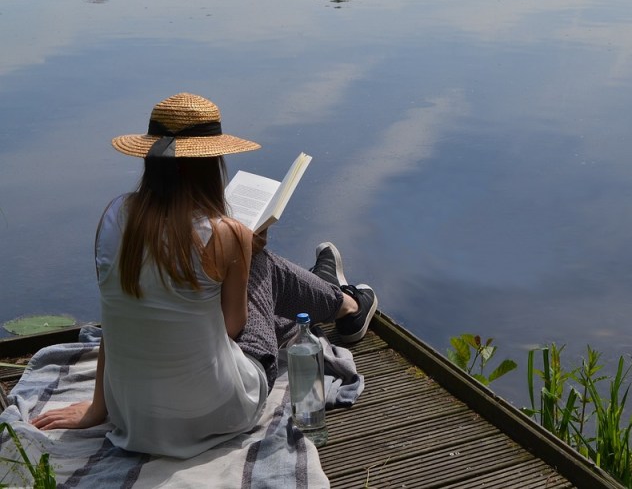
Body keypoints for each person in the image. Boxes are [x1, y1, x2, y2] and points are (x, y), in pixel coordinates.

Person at [31, 92, 378, 458]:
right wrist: (244, 254)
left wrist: (98, 409)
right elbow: (232, 329)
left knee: (252, 273)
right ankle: (345, 304)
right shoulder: (226, 233)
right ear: (210, 162)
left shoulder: (113, 218)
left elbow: (114, 320)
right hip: (220, 411)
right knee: (264, 267)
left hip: (133, 416)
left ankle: (330, 295)